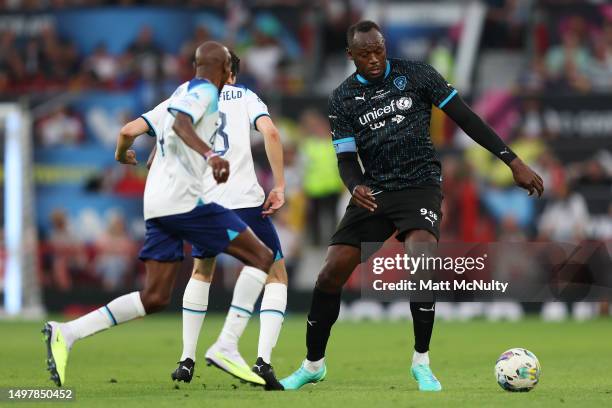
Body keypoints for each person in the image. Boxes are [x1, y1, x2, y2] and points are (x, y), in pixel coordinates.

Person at [280, 20, 544, 392]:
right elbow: (344, 159)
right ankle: (312, 364)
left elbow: (466, 119)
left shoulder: (418, 75)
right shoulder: (342, 98)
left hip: (419, 186)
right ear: (350, 55)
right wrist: (354, 185)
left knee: (421, 259)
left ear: (384, 46)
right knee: (329, 274)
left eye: (379, 50)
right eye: (365, 53)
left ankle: (422, 362)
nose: (374, 59)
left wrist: (512, 161)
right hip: (374, 191)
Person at [42, 41, 274, 387]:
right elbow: (181, 125)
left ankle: (68, 332)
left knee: (154, 297)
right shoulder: (206, 93)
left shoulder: (179, 92)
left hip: (157, 204)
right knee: (261, 256)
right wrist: (212, 156)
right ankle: (226, 345)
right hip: (185, 203)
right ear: (225, 70)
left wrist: (123, 155)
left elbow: (127, 132)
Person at [145, 51, 287, 389]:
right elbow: (271, 134)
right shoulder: (247, 96)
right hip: (245, 201)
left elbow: (161, 141)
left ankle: (186, 359)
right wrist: (279, 185)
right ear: (233, 74)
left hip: (205, 202)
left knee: (201, 271)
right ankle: (263, 360)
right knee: (275, 273)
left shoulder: (186, 95)